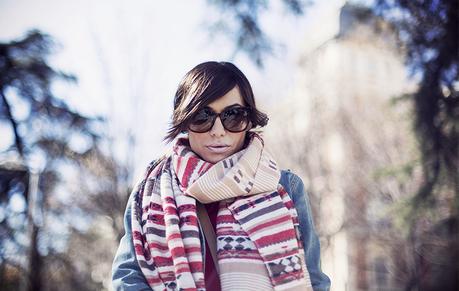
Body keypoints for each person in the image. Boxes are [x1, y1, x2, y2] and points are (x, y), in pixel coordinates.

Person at [111, 61, 331, 291]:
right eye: (202, 116)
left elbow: (314, 281)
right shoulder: (151, 190)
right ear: (184, 121)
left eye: (233, 115)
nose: (218, 130)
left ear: (248, 120)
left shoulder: (283, 186)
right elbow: (127, 278)